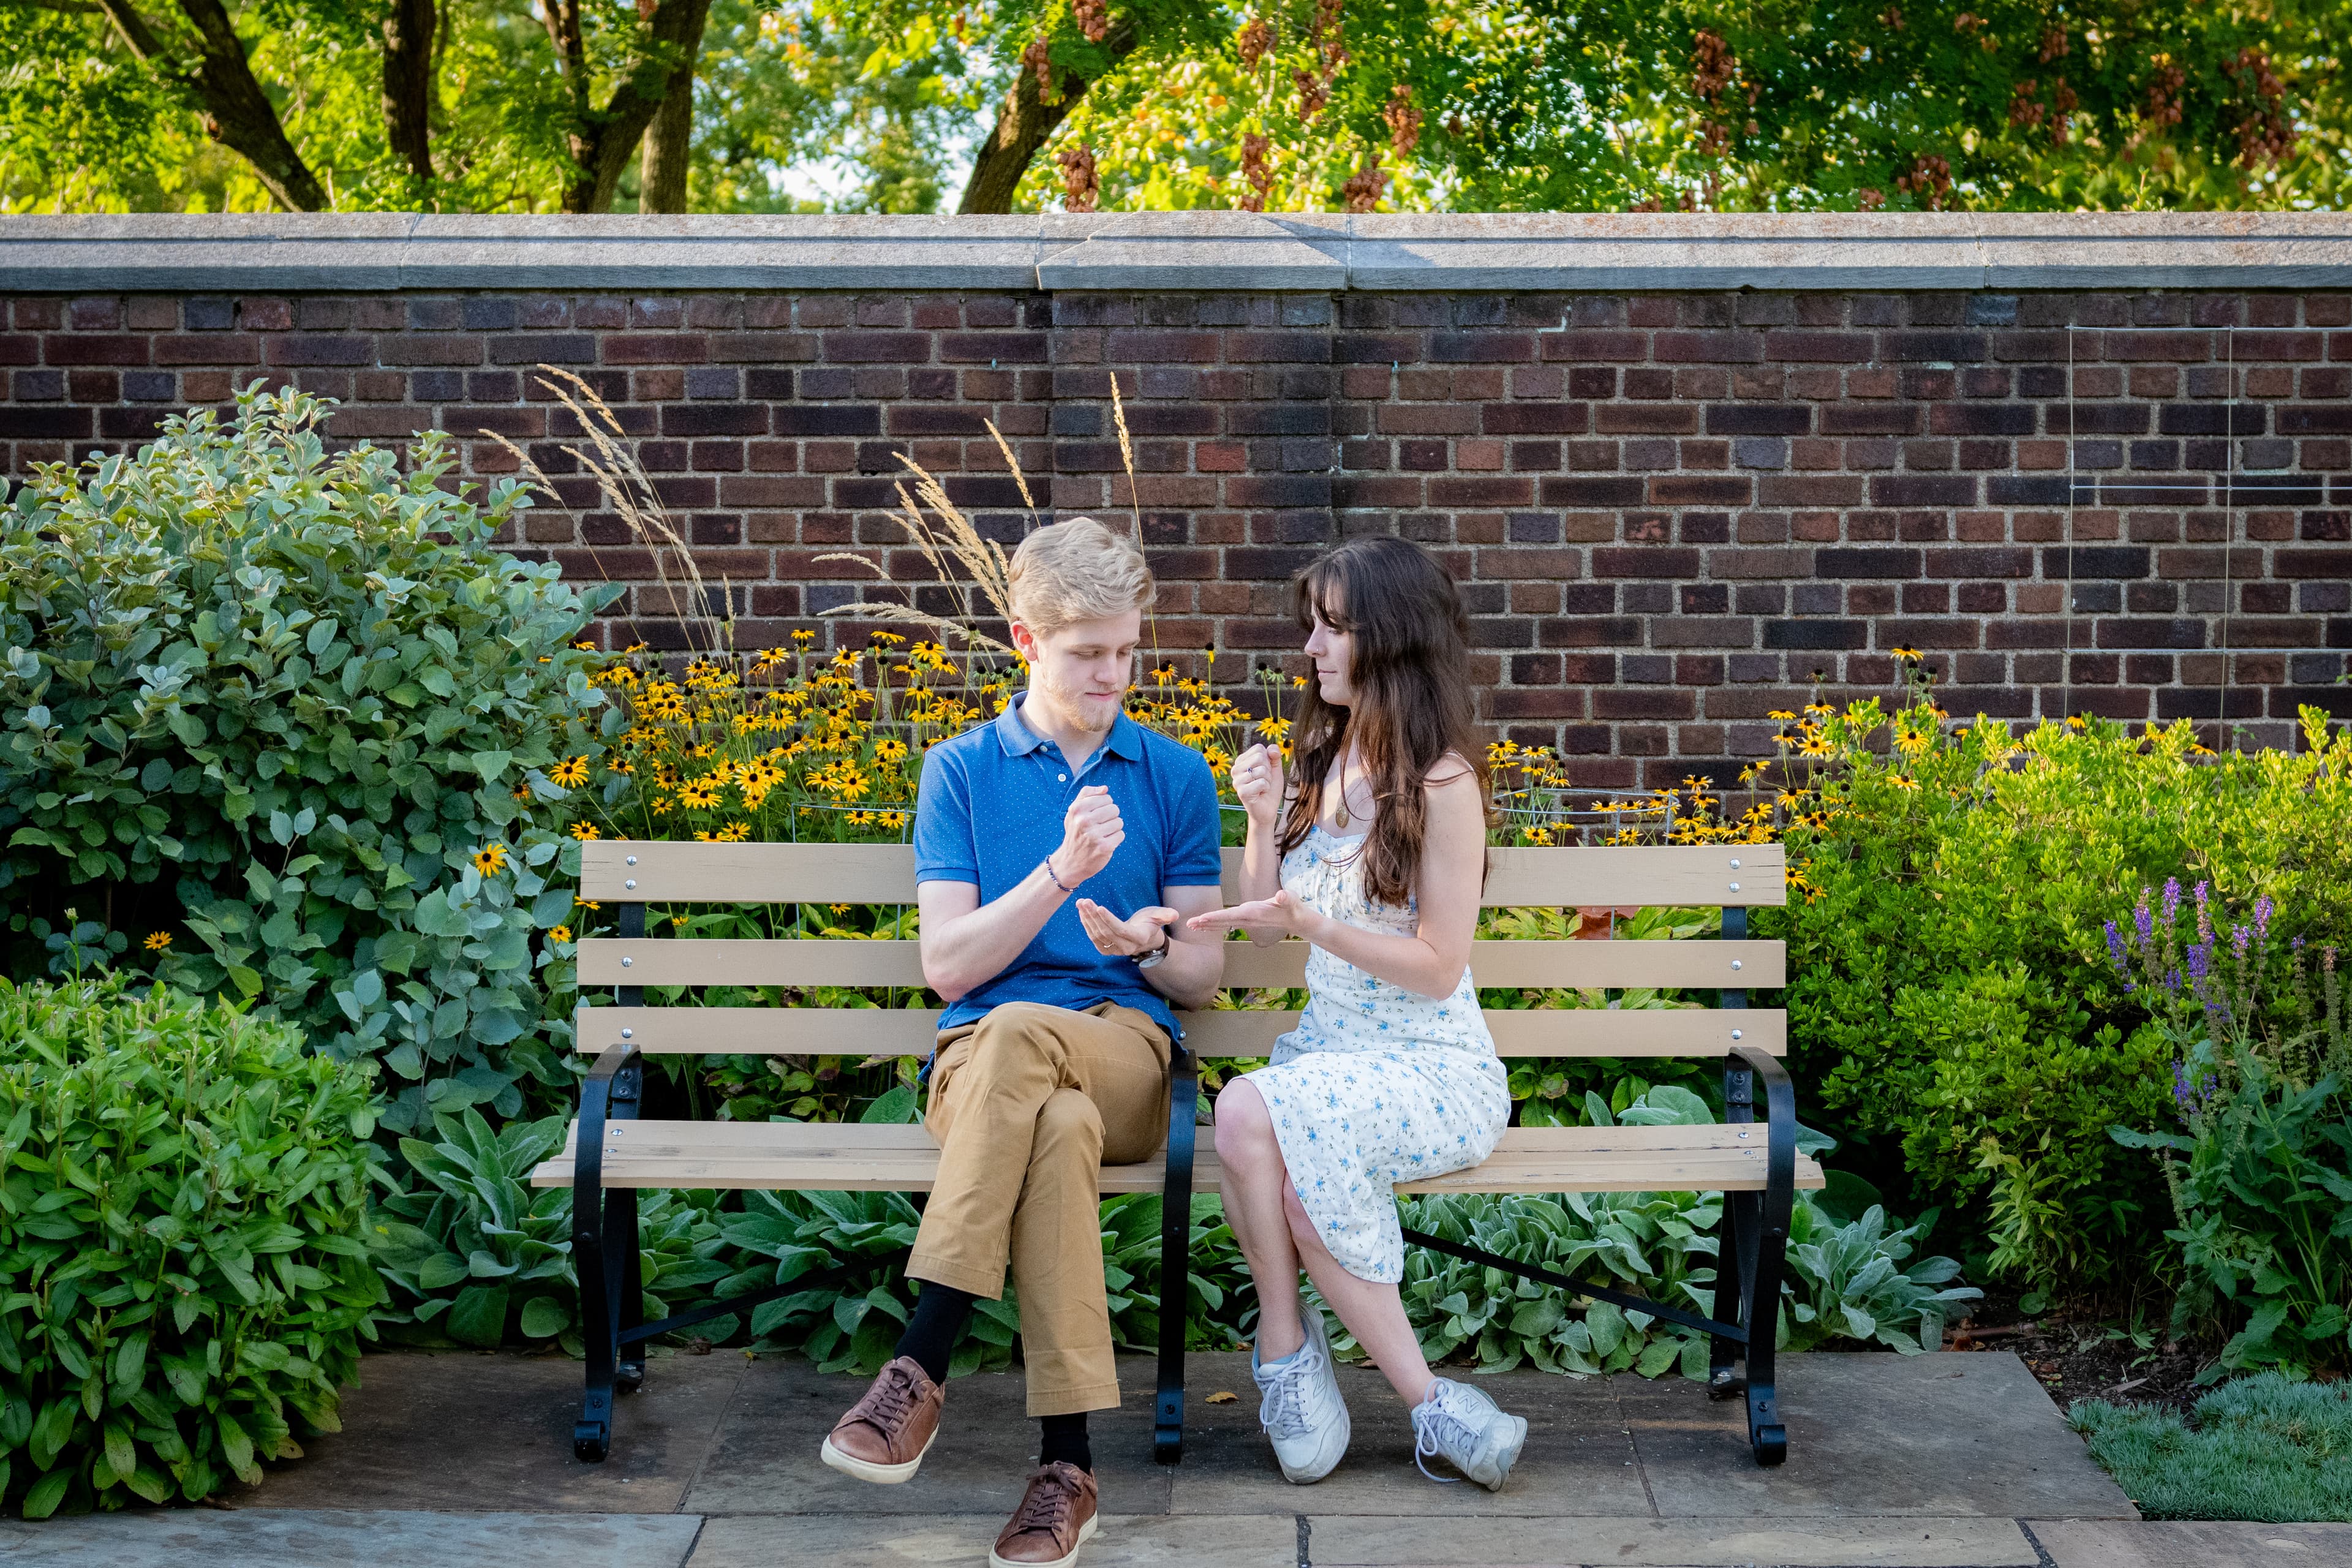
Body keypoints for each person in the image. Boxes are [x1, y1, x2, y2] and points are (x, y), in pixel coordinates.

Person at [818, 516, 1228, 1568]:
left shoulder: (1174, 775)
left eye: (1127, 651)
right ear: (1025, 640)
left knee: (1044, 1061)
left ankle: (921, 1359)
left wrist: (1149, 944)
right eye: (1088, 653)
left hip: (1125, 1047)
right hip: (983, 1063)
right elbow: (948, 968)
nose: (1114, 675)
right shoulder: (960, 771)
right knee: (1051, 1114)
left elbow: (1201, 978)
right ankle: (1067, 1471)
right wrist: (1059, 875)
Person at [1187, 536, 1526, 1491]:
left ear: (1390, 637)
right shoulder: (1323, 759)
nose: (1310, 648)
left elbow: (1439, 968)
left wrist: (1320, 928)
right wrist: (1260, 821)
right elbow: (1266, 930)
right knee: (1263, 1140)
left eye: (1332, 628)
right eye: (1313, 625)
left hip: (1431, 1068)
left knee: (1249, 1115)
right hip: (1330, 1060)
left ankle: (1331, 1372)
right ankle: (1334, 1370)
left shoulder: (1443, 784)